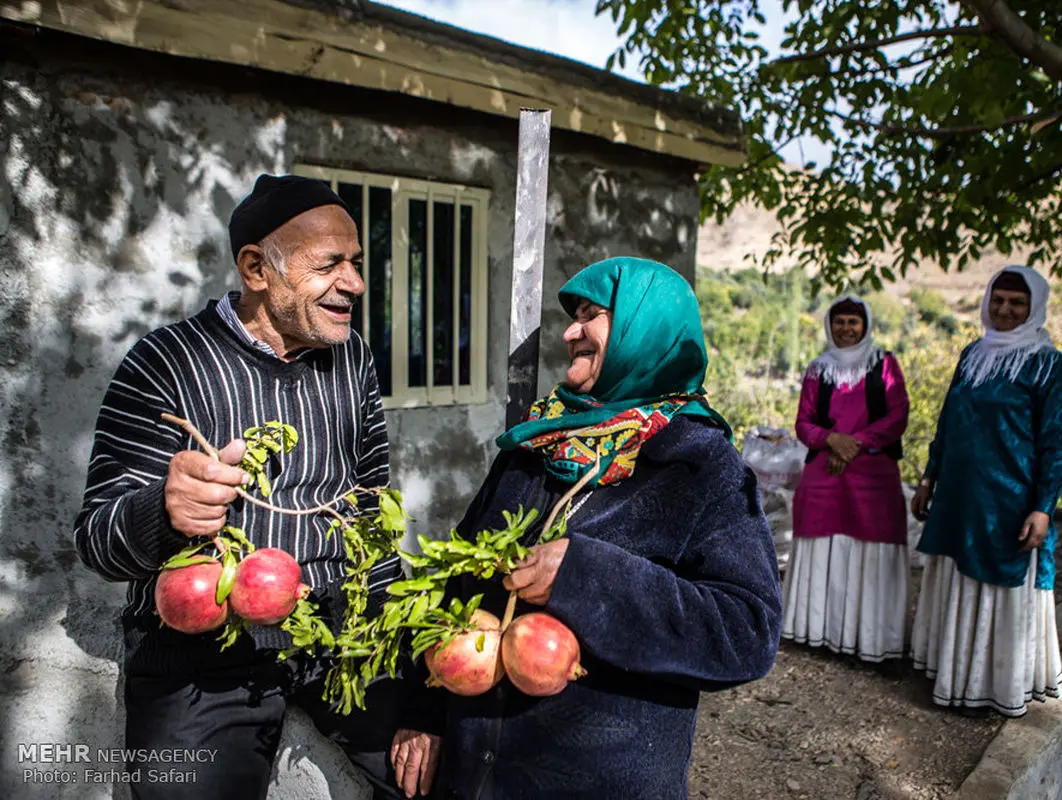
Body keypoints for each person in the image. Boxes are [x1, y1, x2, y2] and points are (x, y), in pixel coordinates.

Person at [73, 174, 438, 799]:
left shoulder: (353, 359)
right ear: (256, 269)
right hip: (201, 651)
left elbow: (370, 507)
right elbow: (96, 540)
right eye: (330, 265)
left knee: (445, 771)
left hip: (338, 635)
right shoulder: (166, 362)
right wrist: (165, 510)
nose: (354, 283)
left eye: (355, 262)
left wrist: (405, 666)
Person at [397, 257, 782, 799]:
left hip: (593, 777)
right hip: (476, 766)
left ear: (642, 330)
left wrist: (586, 577)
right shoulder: (536, 445)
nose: (569, 332)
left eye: (589, 315)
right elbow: (452, 581)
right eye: (572, 315)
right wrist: (426, 707)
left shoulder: (699, 465)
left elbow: (746, 630)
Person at [910, 265, 1062, 717]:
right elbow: (948, 423)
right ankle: (951, 673)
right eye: (998, 300)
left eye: (1016, 303)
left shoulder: (1048, 364)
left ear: (1034, 308)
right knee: (957, 576)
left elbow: (1056, 443)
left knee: (998, 581)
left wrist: (1043, 507)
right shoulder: (973, 354)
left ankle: (993, 685)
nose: (1004, 310)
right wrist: (929, 477)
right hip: (961, 495)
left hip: (1009, 499)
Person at [782, 296, 910, 663]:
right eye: (839, 321)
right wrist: (830, 442)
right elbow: (804, 422)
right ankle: (815, 631)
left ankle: (872, 640)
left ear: (865, 325)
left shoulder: (884, 364)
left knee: (873, 543)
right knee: (823, 540)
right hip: (825, 471)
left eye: (853, 322)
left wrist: (853, 445)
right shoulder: (817, 369)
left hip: (873, 471)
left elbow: (898, 414)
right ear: (829, 325)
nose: (846, 329)